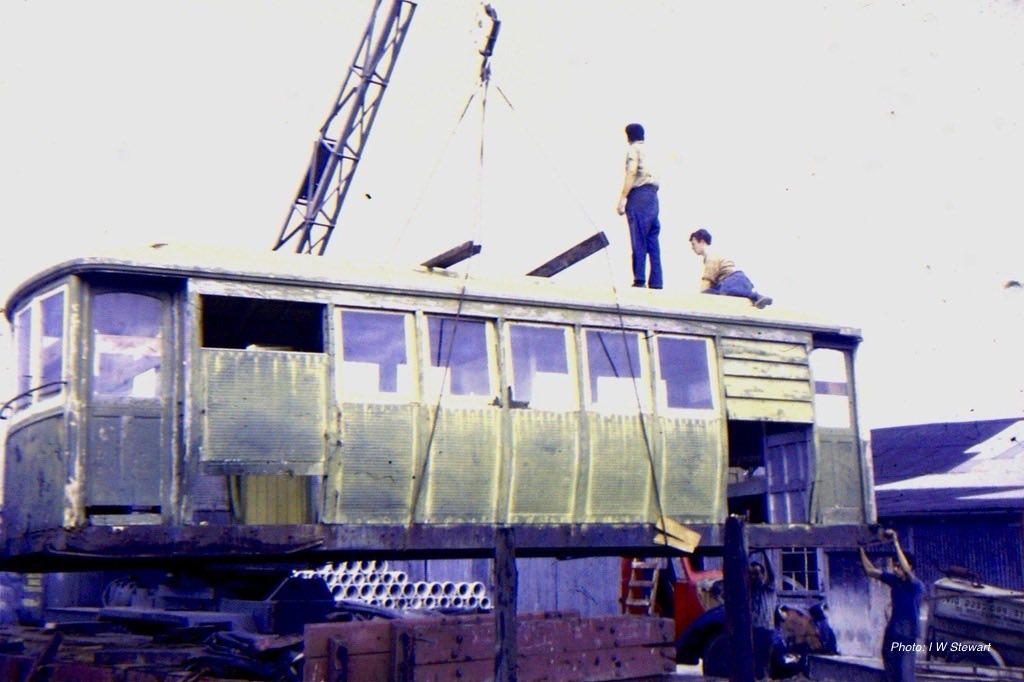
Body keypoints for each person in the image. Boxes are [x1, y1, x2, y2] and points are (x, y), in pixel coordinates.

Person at [859, 529, 925, 682]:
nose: (895, 569)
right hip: (894, 629)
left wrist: (895, 542)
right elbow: (870, 571)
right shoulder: (894, 581)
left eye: (898, 566)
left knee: (904, 671)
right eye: (894, 566)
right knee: (890, 666)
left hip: (908, 632)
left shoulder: (915, 585)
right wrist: (860, 549)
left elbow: (906, 570)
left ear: (909, 567)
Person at [616, 123, 662, 289]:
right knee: (652, 240)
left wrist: (623, 198)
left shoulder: (633, 150)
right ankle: (656, 282)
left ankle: (639, 279)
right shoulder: (652, 151)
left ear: (628, 136)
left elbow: (632, 171)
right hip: (653, 196)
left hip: (639, 195)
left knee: (638, 238)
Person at [688, 228, 773, 308]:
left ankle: (757, 297)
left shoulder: (711, 255)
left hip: (734, 279)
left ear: (702, 242)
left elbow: (708, 279)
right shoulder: (712, 255)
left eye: (693, 244)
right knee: (712, 292)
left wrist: (700, 300)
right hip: (733, 281)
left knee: (726, 291)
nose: (692, 247)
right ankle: (755, 299)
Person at [749, 552, 777, 682]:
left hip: (768, 628)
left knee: (767, 658)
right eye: (752, 574)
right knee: (757, 659)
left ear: (762, 575)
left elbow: (772, 574)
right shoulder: (749, 591)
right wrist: (747, 556)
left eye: (757, 573)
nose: (754, 577)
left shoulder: (768, 589)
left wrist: (765, 553)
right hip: (755, 629)